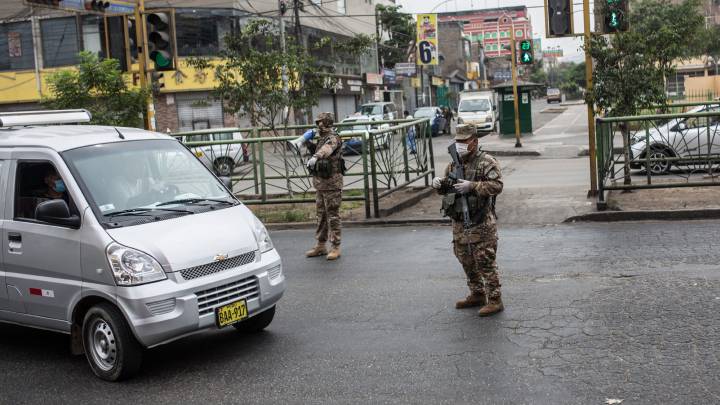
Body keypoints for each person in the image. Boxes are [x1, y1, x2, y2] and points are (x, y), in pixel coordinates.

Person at [432, 123, 505, 317]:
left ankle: (495, 299)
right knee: (465, 258)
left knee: (484, 260)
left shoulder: (486, 161)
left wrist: (472, 186)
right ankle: (477, 293)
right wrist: (440, 185)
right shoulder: (454, 164)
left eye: (464, 142)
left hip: (480, 221)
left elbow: (497, 185)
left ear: (474, 142)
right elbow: (448, 187)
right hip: (460, 222)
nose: (460, 145)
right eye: (457, 142)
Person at [305, 112, 344, 261]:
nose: (318, 125)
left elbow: (327, 149)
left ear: (327, 122)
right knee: (321, 215)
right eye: (317, 122)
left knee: (333, 215)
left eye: (321, 122)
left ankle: (335, 246)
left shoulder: (333, 137)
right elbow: (319, 149)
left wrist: (316, 156)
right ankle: (321, 245)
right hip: (321, 184)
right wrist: (308, 145)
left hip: (332, 184)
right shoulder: (322, 138)